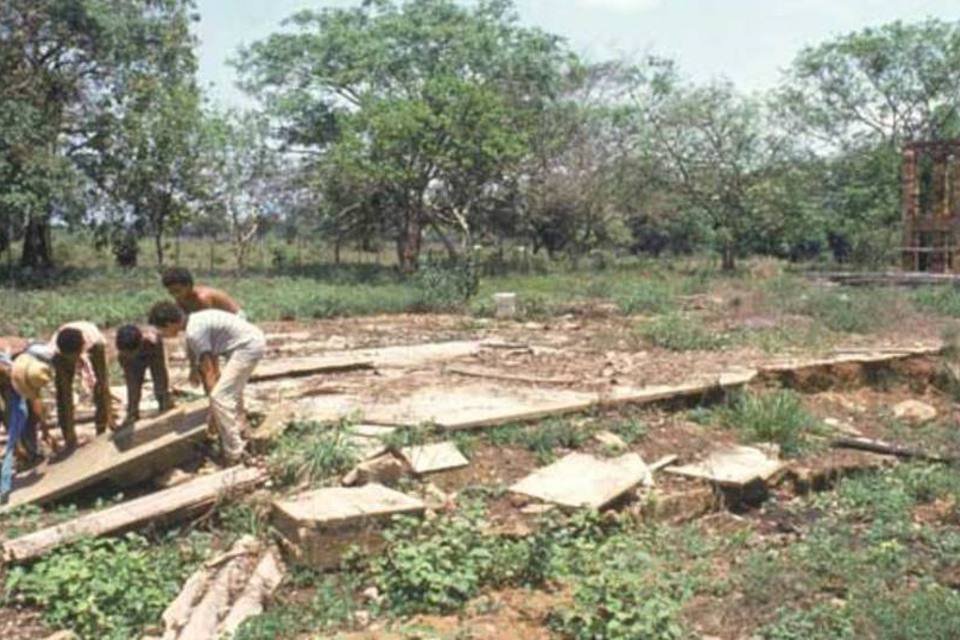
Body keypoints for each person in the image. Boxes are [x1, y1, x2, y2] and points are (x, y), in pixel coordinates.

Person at [148, 302, 265, 464]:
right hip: (248, 341)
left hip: (248, 347)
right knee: (228, 394)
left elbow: (209, 372)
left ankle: (235, 453)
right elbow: (208, 366)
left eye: (162, 330)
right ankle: (242, 432)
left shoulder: (194, 332)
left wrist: (213, 409)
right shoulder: (195, 321)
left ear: (169, 324)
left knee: (220, 397)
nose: (163, 335)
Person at [48, 322, 114, 447]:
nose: (74, 361)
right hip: (65, 350)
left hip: (91, 342)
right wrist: (71, 432)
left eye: (75, 357)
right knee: (62, 394)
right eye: (70, 359)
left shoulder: (96, 344)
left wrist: (110, 416)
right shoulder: (57, 354)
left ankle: (102, 425)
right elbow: (67, 394)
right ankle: (68, 436)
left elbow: (103, 381)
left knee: (99, 385)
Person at [1, 349, 53, 503]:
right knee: (13, 413)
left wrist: (46, 431)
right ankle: (25, 453)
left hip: (8, 384)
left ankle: (30, 451)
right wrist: (16, 447)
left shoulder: (28, 372)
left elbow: (35, 403)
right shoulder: (4, 377)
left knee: (27, 413)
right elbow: (4, 414)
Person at [115, 324, 174, 428]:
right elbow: (132, 383)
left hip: (152, 353)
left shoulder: (153, 341)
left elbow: (160, 372)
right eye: (126, 353)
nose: (129, 355)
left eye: (131, 353)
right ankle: (133, 413)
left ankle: (164, 403)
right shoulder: (123, 352)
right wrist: (132, 409)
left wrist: (163, 394)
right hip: (133, 362)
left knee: (160, 381)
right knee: (133, 385)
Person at [161, 267, 244, 317]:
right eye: (171, 292)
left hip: (235, 318)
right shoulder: (182, 297)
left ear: (189, 286)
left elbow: (207, 322)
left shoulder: (202, 299)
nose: (175, 295)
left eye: (177, 291)